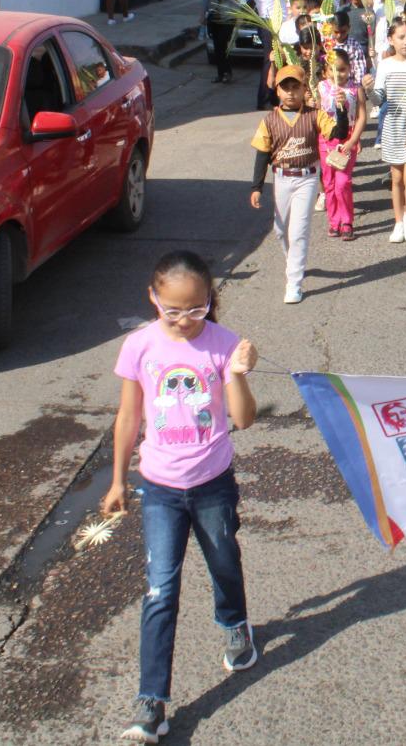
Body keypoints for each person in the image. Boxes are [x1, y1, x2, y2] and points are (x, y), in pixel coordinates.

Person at [103, 250, 259, 744]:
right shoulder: (138, 346)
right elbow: (129, 417)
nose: (185, 320)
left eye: (196, 309)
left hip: (212, 482)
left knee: (224, 562)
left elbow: (244, 419)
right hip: (161, 488)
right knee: (160, 589)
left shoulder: (224, 344)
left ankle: (234, 623)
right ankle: (152, 700)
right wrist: (118, 480)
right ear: (153, 299)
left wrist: (235, 372)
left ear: (209, 300)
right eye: (172, 310)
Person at [249, 66, 320, 305]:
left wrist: (340, 110)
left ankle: (294, 282)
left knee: (298, 230)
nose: (290, 93)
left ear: (304, 89)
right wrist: (256, 187)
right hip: (281, 176)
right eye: (285, 88)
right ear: (277, 91)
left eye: (295, 87)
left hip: (307, 177)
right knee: (281, 229)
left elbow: (338, 132)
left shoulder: (314, 115)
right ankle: (293, 261)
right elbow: (262, 155)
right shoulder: (269, 120)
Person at [373, 20, 406, 243]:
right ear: (391, 40)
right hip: (393, 124)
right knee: (397, 178)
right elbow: (378, 98)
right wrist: (367, 89)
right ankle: (398, 222)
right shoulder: (385, 65)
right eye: (401, 37)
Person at [316, 47, 364, 241]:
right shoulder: (321, 87)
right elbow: (317, 113)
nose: (339, 74)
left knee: (342, 182)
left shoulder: (355, 88)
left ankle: (347, 221)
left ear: (350, 69)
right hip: (327, 138)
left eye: (343, 69)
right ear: (326, 71)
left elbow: (361, 117)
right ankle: (334, 221)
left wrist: (354, 140)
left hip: (348, 138)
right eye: (334, 70)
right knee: (329, 182)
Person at [200, 0, 239, 85]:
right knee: (217, 46)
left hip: (228, 17)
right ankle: (220, 73)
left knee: (223, 44)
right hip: (214, 16)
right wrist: (202, 14)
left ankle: (228, 72)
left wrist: (237, 16)